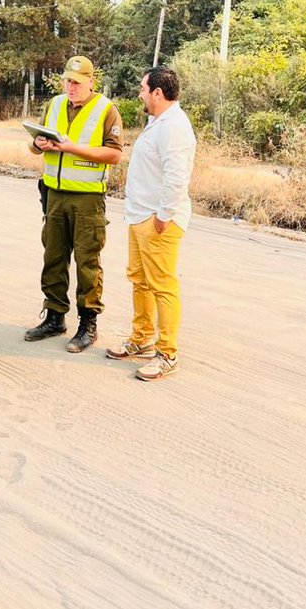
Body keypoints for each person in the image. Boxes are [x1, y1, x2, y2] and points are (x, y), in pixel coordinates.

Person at [24, 56, 124, 352]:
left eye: (77, 82)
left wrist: (71, 148)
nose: (71, 87)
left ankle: (87, 323)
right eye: (68, 80)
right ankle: (55, 316)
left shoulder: (106, 110)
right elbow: (33, 147)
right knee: (53, 257)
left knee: (87, 262)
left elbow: (114, 154)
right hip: (54, 194)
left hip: (87, 199)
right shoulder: (54, 105)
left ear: (91, 81)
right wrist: (38, 144)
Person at [107, 66, 196, 381]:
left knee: (162, 285)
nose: (140, 93)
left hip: (158, 220)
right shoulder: (157, 122)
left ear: (158, 93)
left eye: (143, 88)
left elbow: (177, 175)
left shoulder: (174, 127)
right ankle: (142, 336)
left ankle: (167, 353)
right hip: (140, 215)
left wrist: (163, 216)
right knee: (140, 280)